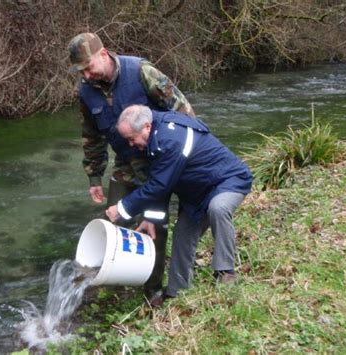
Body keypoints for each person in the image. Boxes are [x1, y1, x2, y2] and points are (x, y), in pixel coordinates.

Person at [67, 32, 195, 303]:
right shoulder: (86, 92)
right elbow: (92, 136)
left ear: (103, 54)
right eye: (81, 71)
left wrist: (183, 155)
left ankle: (153, 291)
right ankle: (119, 284)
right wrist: (94, 176)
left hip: (159, 161)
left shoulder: (140, 72)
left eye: (88, 67)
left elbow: (183, 112)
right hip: (125, 164)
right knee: (116, 219)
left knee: (154, 224)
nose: (86, 75)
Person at [106, 105, 253, 303]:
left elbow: (159, 185)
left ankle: (225, 273)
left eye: (132, 138)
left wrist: (122, 208)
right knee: (182, 235)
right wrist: (150, 216)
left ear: (147, 127)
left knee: (218, 208)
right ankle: (176, 292)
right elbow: (161, 183)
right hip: (197, 194)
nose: (132, 144)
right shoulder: (155, 138)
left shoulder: (170, 139)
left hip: (228, 181)